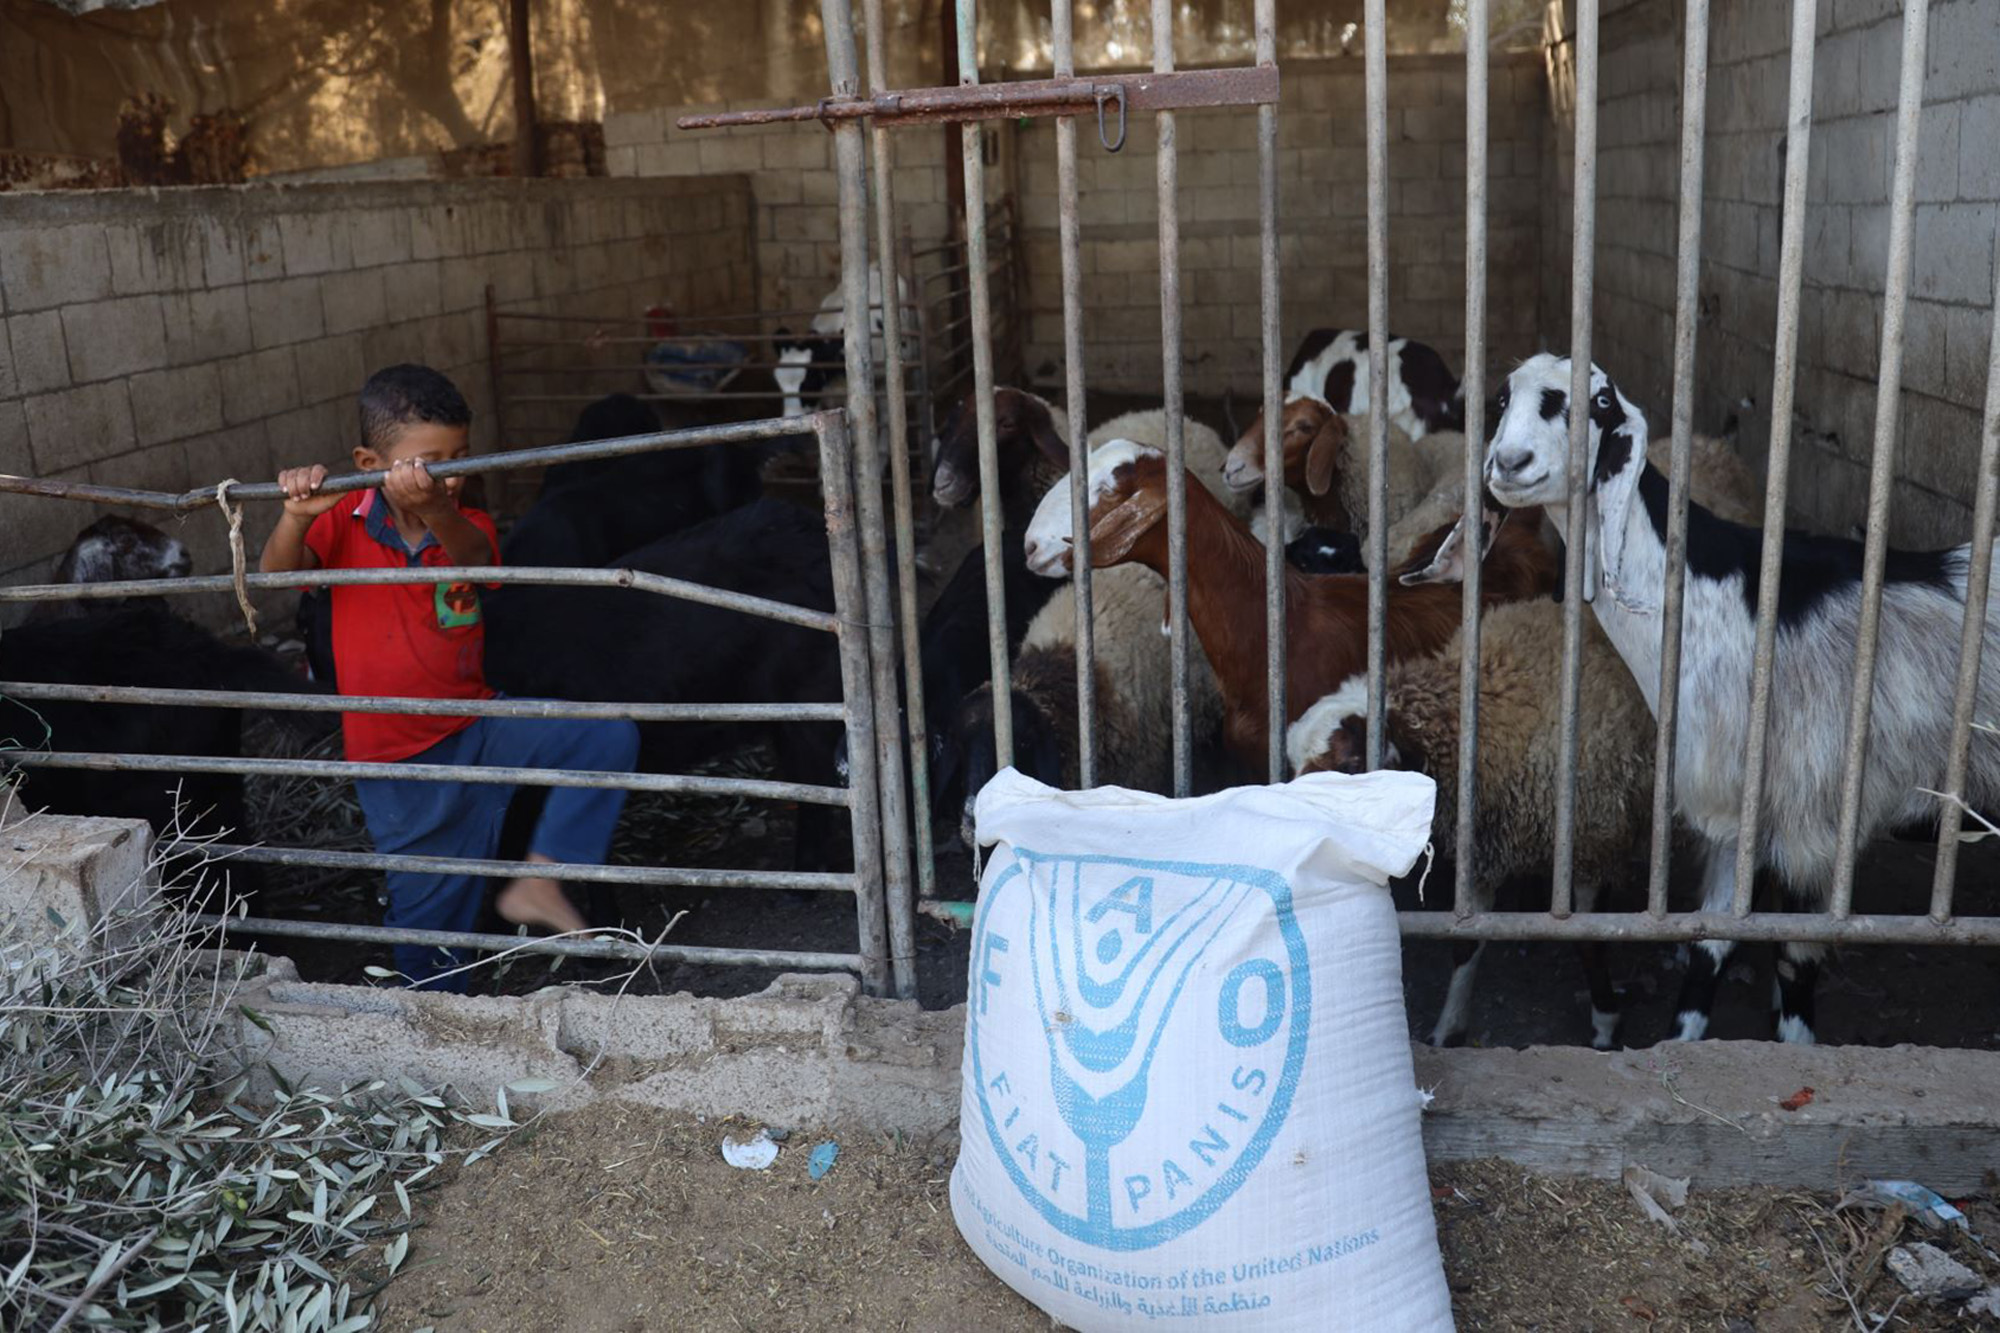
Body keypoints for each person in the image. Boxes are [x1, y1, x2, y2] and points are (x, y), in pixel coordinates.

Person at [260, 364, 638, 989]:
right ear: (368, 459)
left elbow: (480, 563)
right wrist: (297, 515)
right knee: (434, 939)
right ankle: (437, 1036)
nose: (451, 475)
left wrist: (436, 507)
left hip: (479, 724)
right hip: (402, 766)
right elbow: (276, 577)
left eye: (460, 457)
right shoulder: (345, 519)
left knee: (606, 736)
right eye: (430, 462)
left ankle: (540, 880)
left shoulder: (463, 520)